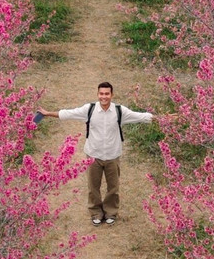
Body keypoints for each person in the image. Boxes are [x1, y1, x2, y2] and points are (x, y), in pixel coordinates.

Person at [38, 82, 154, 226]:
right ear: (98, 94)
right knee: (93, 187)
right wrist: (48, 113)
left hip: (112, 155)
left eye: (107, 94)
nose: (104, 97)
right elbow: (69, 113)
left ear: (112, 95)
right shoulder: (90, 109)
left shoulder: (119, 111)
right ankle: (96, 213)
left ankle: (111, 212)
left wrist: (163, 118)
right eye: (101, 94)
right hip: (93, 155)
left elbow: (140, 116)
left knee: (113, 187)